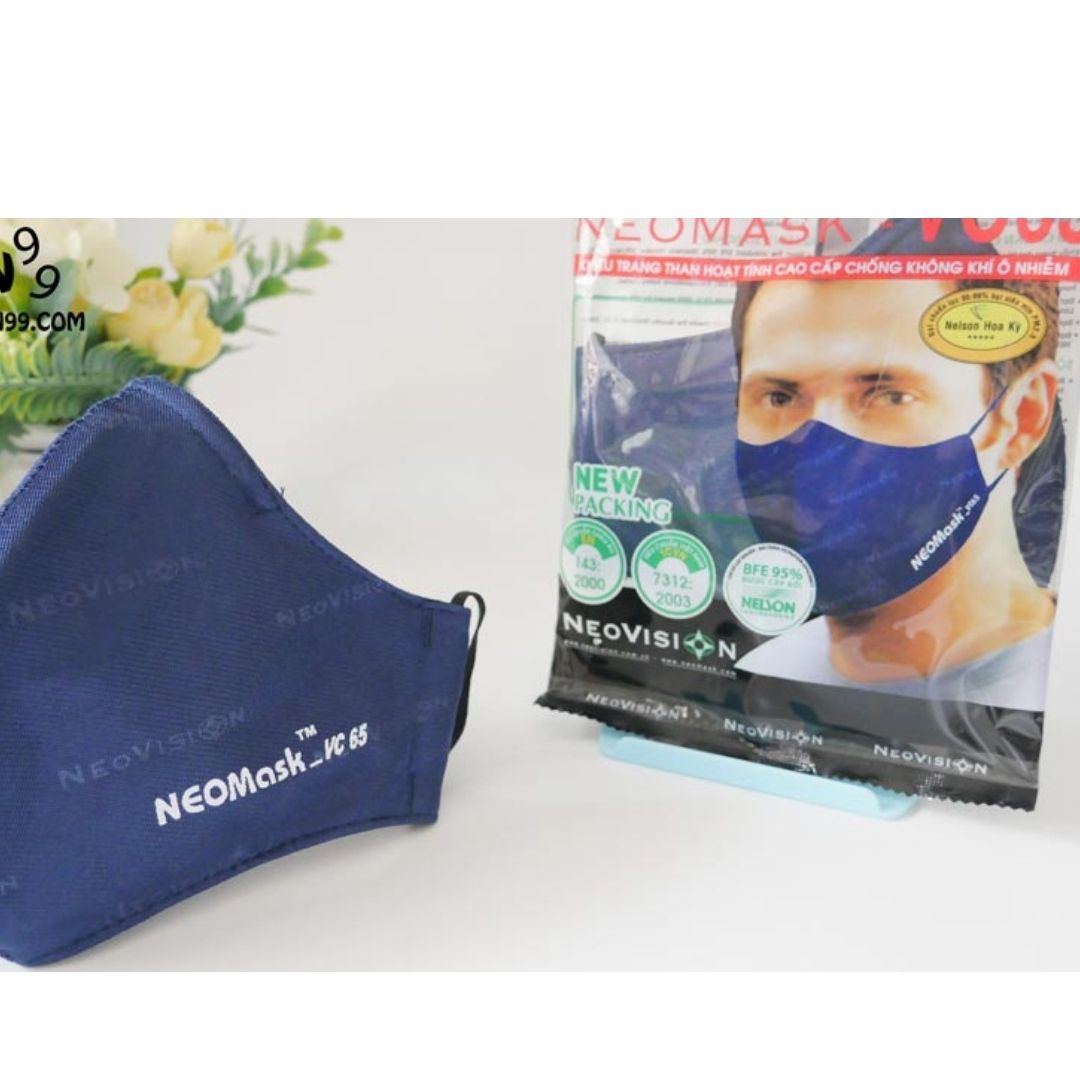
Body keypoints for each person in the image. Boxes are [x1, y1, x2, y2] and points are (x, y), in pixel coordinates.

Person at [731, 225, 1062, 711]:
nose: (817, 456)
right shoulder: (760, 682)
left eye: (889, 395)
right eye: (779, 397)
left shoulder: (1060, 702)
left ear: (1022, 418)